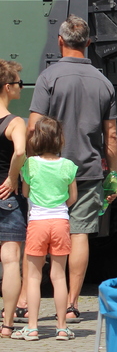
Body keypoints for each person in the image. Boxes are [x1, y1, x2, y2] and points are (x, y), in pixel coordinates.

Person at [26, 15, 117, 321]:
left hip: (47, 169)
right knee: (78, 235)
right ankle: (72, 303)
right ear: (89, 43)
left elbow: (33, 127)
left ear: (60, 41)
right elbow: (112, 136)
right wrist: (113, 176)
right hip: (89, 171)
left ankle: (29, 300)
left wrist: (28, 168)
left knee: (39, 230)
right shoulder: (104, 83)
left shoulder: (49, 78)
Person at [17, 116, 78, 341]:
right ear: (59, 139)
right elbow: (72, 197)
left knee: (32, 277)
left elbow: (24, 193)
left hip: (37, 222)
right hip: (60, 221)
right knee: (59, 276)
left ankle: (32, 327)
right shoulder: (68, 166)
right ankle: (62, 327)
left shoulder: (30, 165)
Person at [0, 61, 28, 338]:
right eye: (19, 83)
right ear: (7, 88)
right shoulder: (14, 122)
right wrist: (12, 177)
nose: (21, 86)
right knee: (10, 260)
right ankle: (7, 325)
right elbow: (19, 151)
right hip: (6, 197)